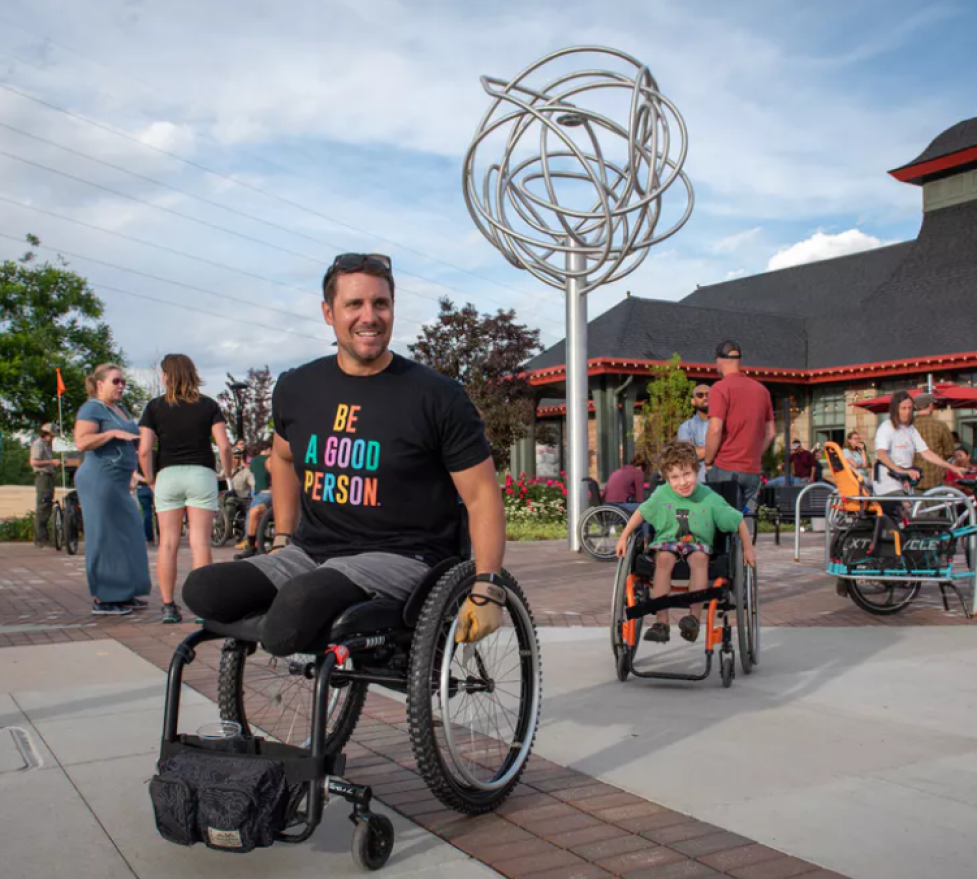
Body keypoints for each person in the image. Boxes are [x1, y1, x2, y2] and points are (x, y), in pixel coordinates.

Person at [182, 252, 507, 654]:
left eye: (380, 304)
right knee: (204, 589)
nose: (368, 316)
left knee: (295, 610)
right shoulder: (298, 388)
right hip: (312, 553)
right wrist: (283, 536)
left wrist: (488, 586)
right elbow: (281, 458)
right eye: (354, 304)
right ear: (328, 312)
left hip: (404, 557)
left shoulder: (436, 396)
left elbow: (481, 495)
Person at [614, 441, 755, 644]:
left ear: (696, 471)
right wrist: (624, 536)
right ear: (667, 479)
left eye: (687, 474)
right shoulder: (662, 494)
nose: (683, 482)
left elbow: (738, 520)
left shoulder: (710, 497)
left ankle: (693, 619)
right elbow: (641, 512)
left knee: (699, 560)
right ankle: (661, 623)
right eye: (675, 477)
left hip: (698, 544)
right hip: (667, 542)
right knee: (663, 561)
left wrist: (748, 548)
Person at [139, 353, 233, 624]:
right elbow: (224, 446)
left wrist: (151, 479)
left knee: (168, 543)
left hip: (167, 474)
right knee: (200, 542)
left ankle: (169, 606)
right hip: (201, 474)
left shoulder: (154, 407)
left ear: (166, 376)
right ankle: (203, 609)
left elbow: (145, 450)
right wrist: (225, 473)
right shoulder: (208, 405)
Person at [73, 364, 152, 615]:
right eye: (116, 381)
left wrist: (134, 474)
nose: (121, 386)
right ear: (99, 385)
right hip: (99, 479)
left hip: (119, 480)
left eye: (124, 382)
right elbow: (82, 441)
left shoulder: (121, 409)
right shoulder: (92, 408)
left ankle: (125, 592)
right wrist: (113, 433)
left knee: (130, 533)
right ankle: (104, 599)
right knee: (104, 536)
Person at [703, 340, 775, 510]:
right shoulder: (762, 390)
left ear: (719, 361)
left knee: (720, 525)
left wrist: (708, 460)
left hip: (726, 468)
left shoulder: (720, 389)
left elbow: (715, 429)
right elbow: (770, 433)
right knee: (742, 523)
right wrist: (754, 455)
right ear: (739, 361)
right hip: (752, 470)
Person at [873, 390, 965, 498]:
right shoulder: (887, 427)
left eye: (909, 408)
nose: (907, 412)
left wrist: (952, 468)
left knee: (918, 512)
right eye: (903, 408)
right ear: (895, 409)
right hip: (888, 484)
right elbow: (881, 454)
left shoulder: (910, 429)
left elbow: (926, 452)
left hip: (906, 483)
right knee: (906, 510)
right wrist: (901, 471)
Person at [234, 438, 273, 559]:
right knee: (254, 514)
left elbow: (249, 470)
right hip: (270, 492)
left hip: (258, 492)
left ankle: (249, 542)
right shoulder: (270, 460)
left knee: (251, 515)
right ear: (269, 449)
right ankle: (251, 542)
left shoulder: (255, 461)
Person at [911, 393, 954, 490]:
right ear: (930, 405)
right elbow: (949, 452)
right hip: (936, 480)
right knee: (937, 505)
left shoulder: (907, 426)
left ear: (915, 407)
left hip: (913, 480)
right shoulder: (940, 425)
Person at [29, 422, 59, 548]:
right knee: (42, 507)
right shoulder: (39, 444)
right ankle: (41, 539)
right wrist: (51, 462)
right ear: (47, 434)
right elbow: (34, 462)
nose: (52, 438)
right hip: (43, 477)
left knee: (47, 507)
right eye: (52, 435)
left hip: (48, 477)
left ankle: (44, 537)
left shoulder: (46, 446)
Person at [677, 384, 710, 482]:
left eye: (709, 394)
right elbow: (689, 455)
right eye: (700, 395)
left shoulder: (724, 424)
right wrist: (719, 448)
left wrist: (700, 450)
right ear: (693, 401)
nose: (705, 397)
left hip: (722, 480)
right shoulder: (686, 427)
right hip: (698, 482)